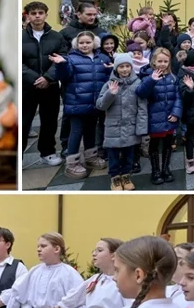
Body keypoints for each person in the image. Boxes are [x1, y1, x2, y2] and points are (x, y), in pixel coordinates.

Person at [50, 32, 111, 179]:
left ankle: (90, 157)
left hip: (94, 103)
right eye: (81, 43)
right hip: (77, 103)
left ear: (94, 43)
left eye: (88, 42)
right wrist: (61, 65)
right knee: (76, 132)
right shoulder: (71, 59)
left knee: (91, 130)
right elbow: (64, 77)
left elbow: (107, 78)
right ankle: (72, 163)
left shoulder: (102, 58)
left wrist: (111, 69)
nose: (85, 45)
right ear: (77, 44)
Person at [22, 1, 67, 167]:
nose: (37, 16)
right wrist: (35, 78)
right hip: (27, 87)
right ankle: (18, 155)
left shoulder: (56, 36)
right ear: (28, 16)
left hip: (51, 86)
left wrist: (48, 78)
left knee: (49, 120)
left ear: (46, 15)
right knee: (24, 121)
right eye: (33, 13)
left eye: (40, 13)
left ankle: (47, 152)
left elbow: (62, 57)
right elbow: (18, 62)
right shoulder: (20, 37)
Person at [98, 53, 144, 191]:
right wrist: (110, 94)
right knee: (113, 155)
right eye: (121, 67)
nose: (124, 69)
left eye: (127, 66)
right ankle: (115, 178)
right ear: (116, 68)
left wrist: (141, 127)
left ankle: (126, 175)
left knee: (129, 154)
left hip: (130, 126)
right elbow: (100, 105)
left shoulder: (137, 83)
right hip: (113, 127)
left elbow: (142, 106)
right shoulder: (109, 84)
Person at [136, 48, 183, 184]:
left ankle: (165, 168)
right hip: (155, 117)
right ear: (154, 61)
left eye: (165, 61)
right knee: (155, 144)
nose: (162, 64)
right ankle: (155, 171)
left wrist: (176, 113)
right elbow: (141, 93)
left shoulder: (172, 77)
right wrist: (151, 80)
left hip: (169, 116)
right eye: (160, 61)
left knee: (168, 143)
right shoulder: (147, 75)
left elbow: (178, 97)